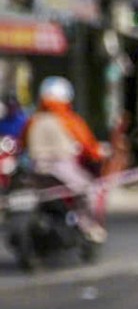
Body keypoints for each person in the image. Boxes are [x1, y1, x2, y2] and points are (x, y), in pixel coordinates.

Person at [23, 76, 108, 243]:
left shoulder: (33, 120)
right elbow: (90, 147)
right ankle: (89, 227)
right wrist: (98, 154)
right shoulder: (70, 120)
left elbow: (22, 143)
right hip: (61, 170)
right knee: (91, 191)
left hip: (35, 169)